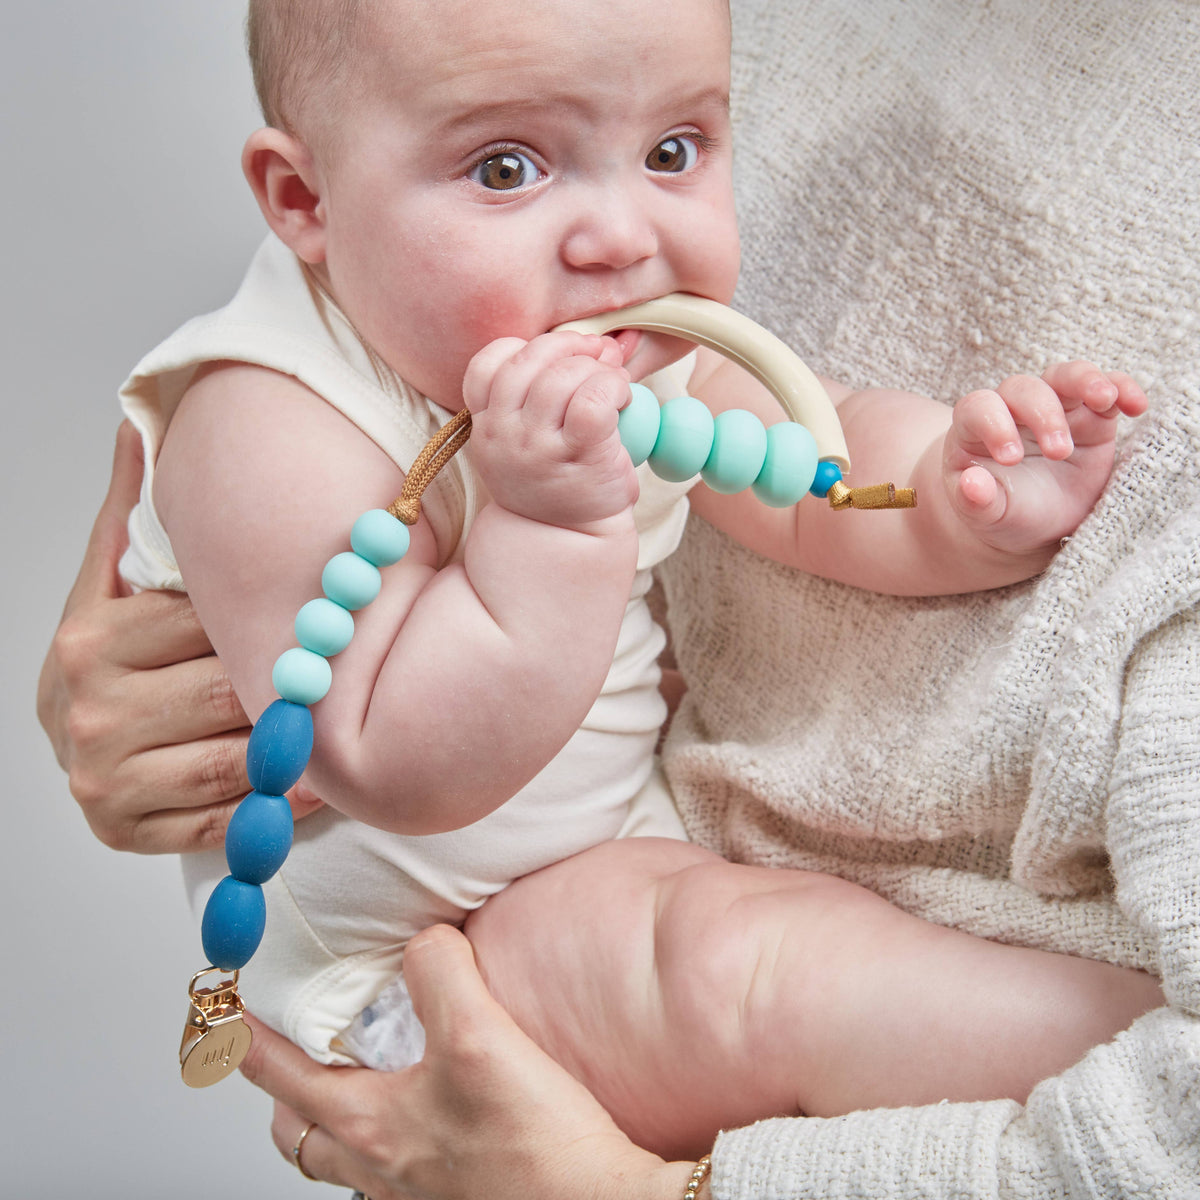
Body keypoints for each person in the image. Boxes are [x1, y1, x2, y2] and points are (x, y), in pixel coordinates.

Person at [39, 0, 1198, 1196]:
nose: (619, 235)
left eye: (674, 153)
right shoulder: (264, 422)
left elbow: (810, 471)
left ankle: (1148, 1066)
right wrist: (550, 524)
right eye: (506, 168)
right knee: (748, 978)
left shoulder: (596, 349)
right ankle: (1129, 1063)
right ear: (304, 201)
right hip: (425, 978)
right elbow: (397, 758)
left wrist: (956, 494)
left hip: (600, 858)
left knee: (781, 949)